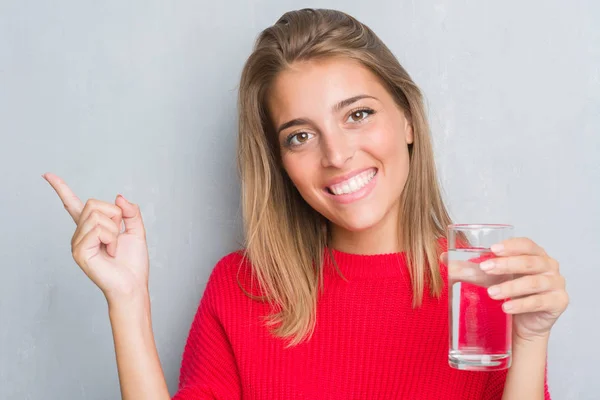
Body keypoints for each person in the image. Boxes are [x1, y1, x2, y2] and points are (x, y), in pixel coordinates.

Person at [43, 8, 568, 399]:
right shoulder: (241, 289)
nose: (337, 155)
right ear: (279, 161)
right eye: (300, 136)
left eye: (358, 114)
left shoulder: (480, 290)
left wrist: (531, 341)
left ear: (408, 119)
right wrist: (128, 303)